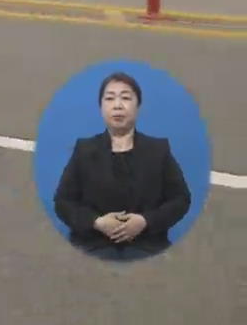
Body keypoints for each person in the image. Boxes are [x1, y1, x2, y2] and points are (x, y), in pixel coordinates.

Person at [53, 72, 192, 261]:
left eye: (126, 98)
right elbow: (63, 202)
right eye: (110, 98)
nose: (117, 105)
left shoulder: (158, 150)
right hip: (92, 247)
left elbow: (180, 199)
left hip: (147, 247)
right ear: (101, 107)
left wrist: (145, 221)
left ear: (138, 106)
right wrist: (96, 222)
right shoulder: (84, 150)